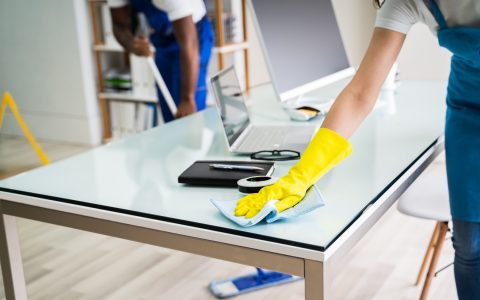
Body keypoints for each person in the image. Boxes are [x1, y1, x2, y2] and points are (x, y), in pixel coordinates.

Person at [234, 0, 480, 298]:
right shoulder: (405, 2)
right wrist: (301, 175)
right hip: (469, 104)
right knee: (469, 245)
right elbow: (360, 94)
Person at [108, 0, 214, 122]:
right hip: (163, 41)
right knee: (169, 111)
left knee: (191, 115)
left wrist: (188, 99)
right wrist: (132, 45)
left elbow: (189, 44)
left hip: (194, 35)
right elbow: (118, 25)